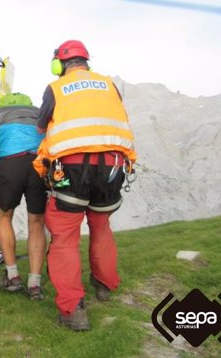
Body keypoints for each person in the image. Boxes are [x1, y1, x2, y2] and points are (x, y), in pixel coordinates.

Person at [34, 40, 136, 331]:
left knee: (64, 236)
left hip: (72, 168)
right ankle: (105, 285)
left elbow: (41, 127)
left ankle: (73, 310)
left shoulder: (55, 88)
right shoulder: (109, 85)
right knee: (101, 225)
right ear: (86, 61)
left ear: (59, 64)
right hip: (113, 166)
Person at [0, 92, 46, 300]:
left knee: (4, 217)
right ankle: (35, 283)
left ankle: (13, 276)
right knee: (36, 222)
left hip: (10, 164)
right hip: (39, 164)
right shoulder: (38, 114)